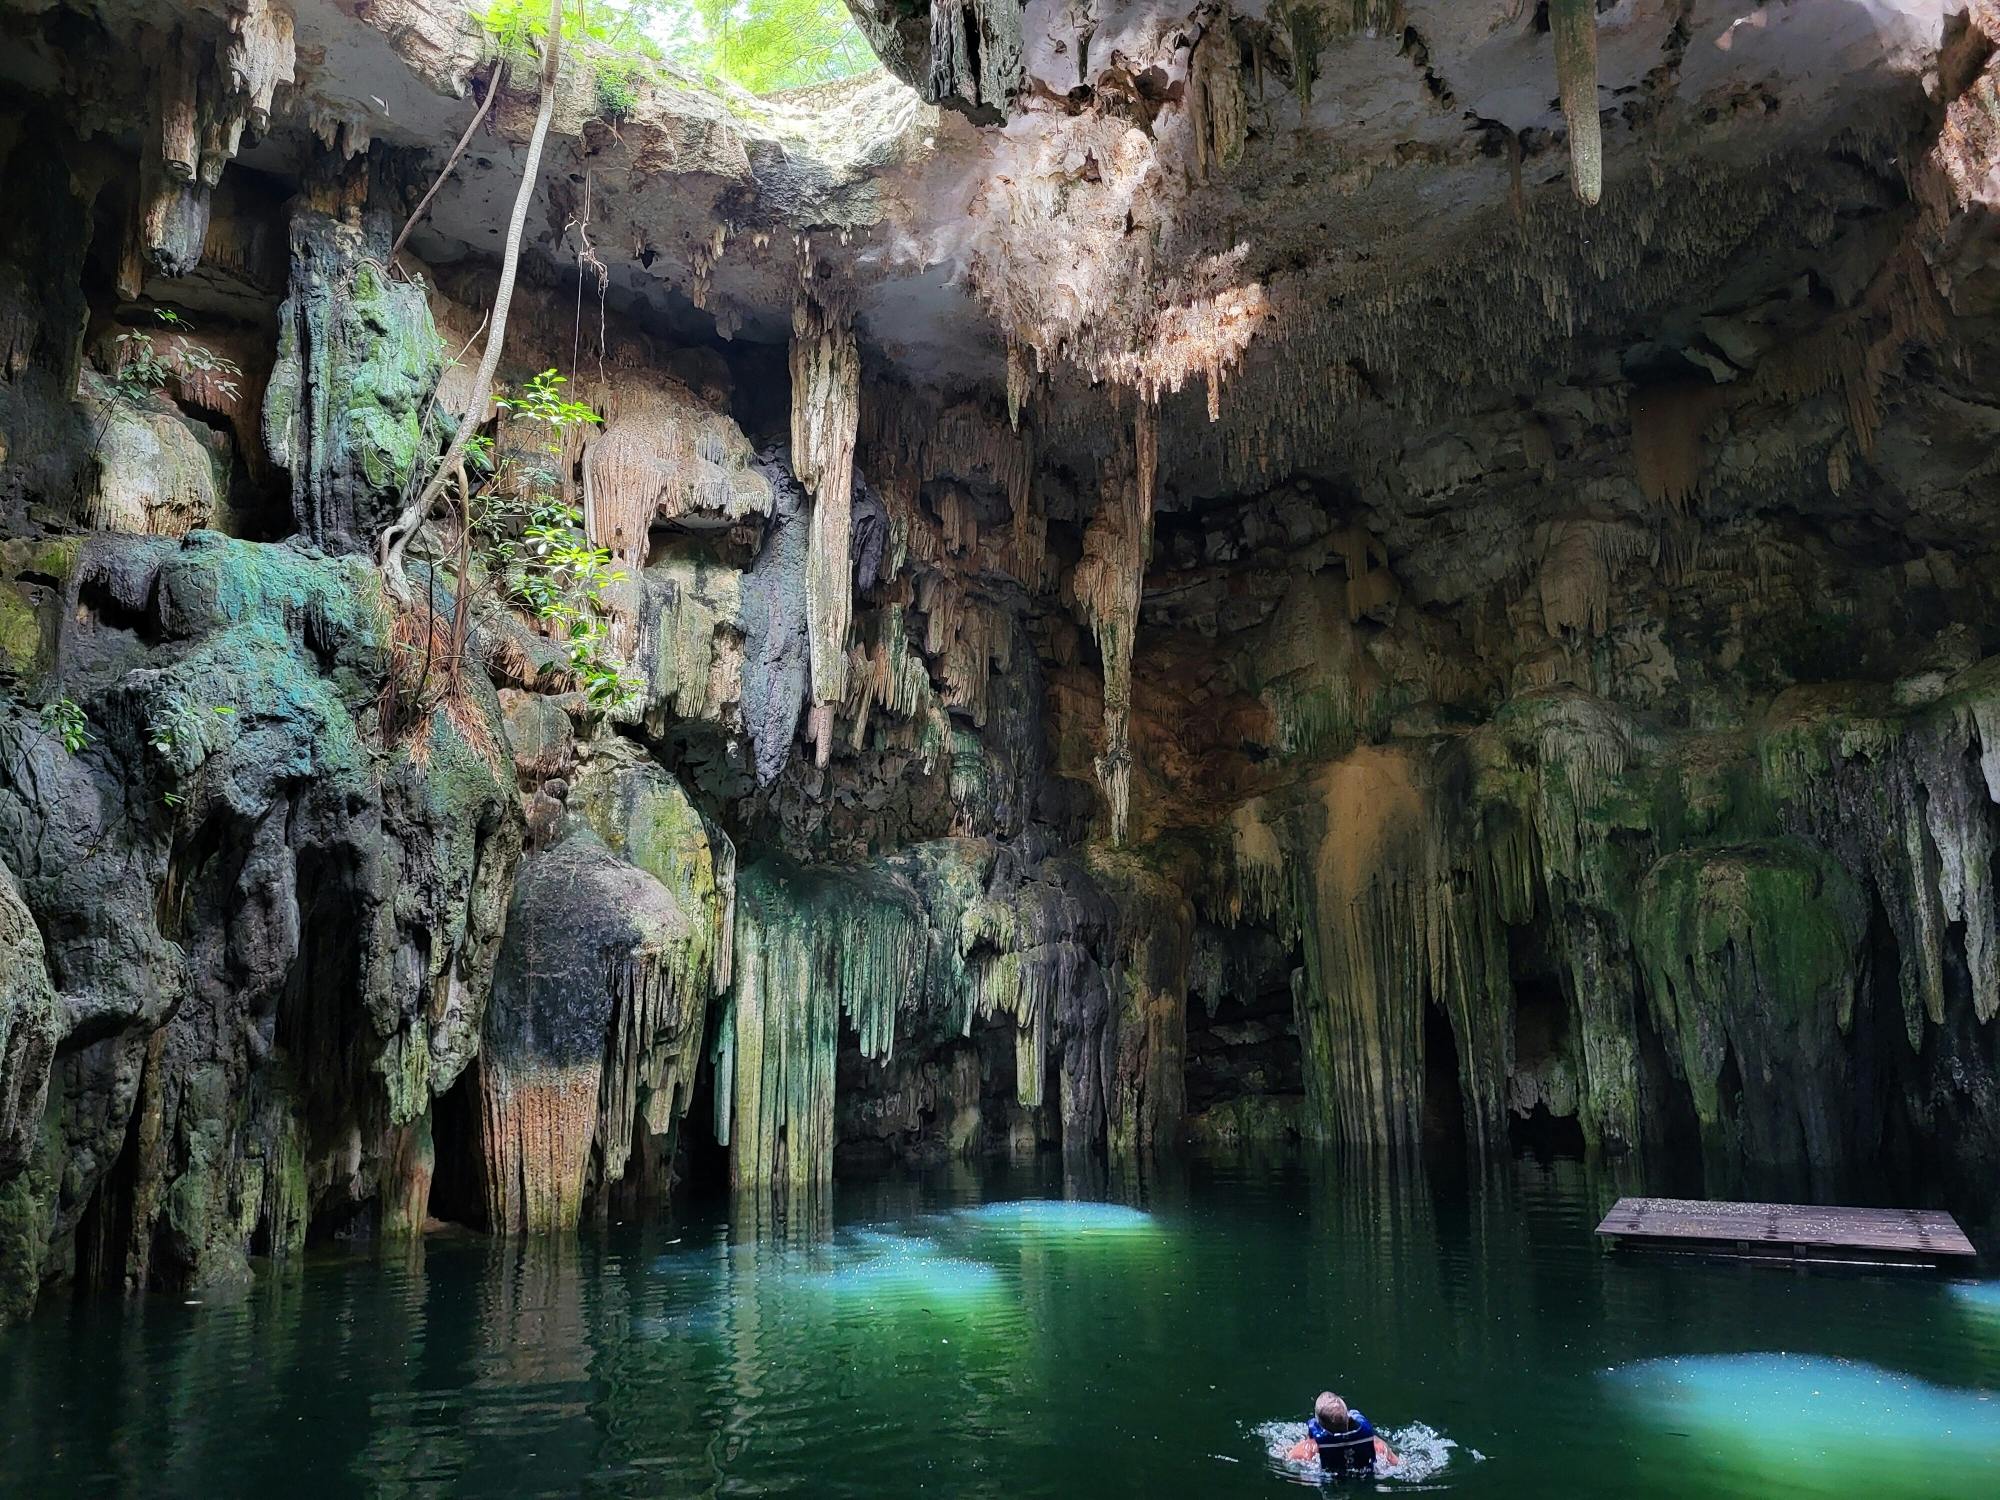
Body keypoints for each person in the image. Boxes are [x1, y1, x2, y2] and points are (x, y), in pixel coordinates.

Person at [1286, 1391, 1401, 1477]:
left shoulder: (1306, 1451)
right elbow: (1398, 1465)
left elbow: (1292, 1466)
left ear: (1318, 1425)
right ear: (1349, 1418)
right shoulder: (1377, 1446)